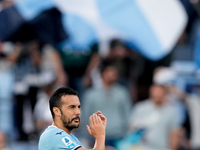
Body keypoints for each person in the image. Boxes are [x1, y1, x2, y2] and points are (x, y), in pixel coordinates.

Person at [81, 60, 132, 148]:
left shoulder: (122, 93)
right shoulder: (91, 94)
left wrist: (126, 134)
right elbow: (85, 115)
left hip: (118, 135)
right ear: (102, 74)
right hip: (96, 136)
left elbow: (127, 113)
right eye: (109, 72)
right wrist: (86, 136)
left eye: (114, 73)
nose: (112, 75)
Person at [38, 87, 107, 150]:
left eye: (78, 107)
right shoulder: (54, 135)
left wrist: (101, 135)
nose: (78, 112)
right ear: (57, 111)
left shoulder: (72, 138)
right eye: (72, 107)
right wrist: (100, 136)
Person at [128, 84, 180, 150]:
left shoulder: (170, 111)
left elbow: (174, 134)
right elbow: (131, 129)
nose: (158, 95)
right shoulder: (140, 108)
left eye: (160, 93)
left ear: (164, 94)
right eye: (156, 93)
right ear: (150, 93)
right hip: (140, 147)